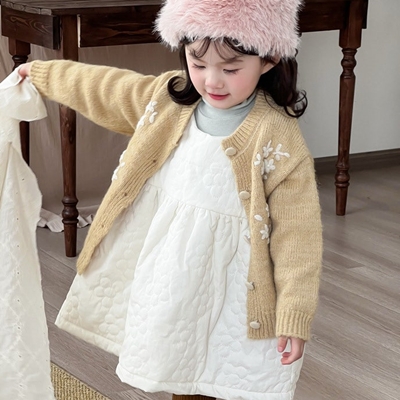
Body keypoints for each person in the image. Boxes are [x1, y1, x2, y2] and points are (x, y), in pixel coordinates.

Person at [19, 0, 322, 399]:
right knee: (178, 362)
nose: (212, 81)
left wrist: (294, 314)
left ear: (268, 60)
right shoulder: (167, 101)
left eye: (231, 69)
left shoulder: (277, 136)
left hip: (235, 285)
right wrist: (43, 74)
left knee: (223, 372)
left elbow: (298, 237)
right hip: (172, 271)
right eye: (198, 63)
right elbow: (105, 88)